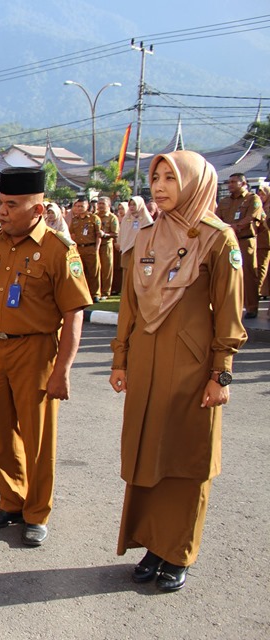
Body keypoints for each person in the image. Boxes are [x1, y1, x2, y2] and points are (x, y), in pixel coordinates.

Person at [109, 151, 247, 591]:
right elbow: (129, 305)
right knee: (148, 454)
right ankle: (152, 543)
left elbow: (229, 313)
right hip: (146, 365)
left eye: (171, 177)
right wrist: (119, 358)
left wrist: (220, 373)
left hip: (191, 369)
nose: (161, 185)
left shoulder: (218, 239)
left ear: (195, 182)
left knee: (187, 460)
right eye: (156, 177)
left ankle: (179, 550)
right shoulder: (146, 237)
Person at [0, 168, 91, 546]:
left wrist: (63, 370)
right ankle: (11, 501)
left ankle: (37, 512)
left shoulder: (58, 249)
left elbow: (74, 311)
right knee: (0, 433)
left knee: (37, 437)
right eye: (1, 204)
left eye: (12, 205)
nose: (2, 212)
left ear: (37, 209)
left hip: (34, 351)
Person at [215, 173, 265, 318]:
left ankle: (251, 307)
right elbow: (217, 219)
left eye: (233, 182)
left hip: (245, 240)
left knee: (248, 274)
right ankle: (231, 306)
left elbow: (251, 217)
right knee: (227, 274)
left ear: (243, 184)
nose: (229, 184)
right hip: (227, 241)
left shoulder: (252, 199)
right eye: (229, 182)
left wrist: (233, 227)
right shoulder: (224, 201)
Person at [68, 197, 102, 302]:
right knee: (79, 271)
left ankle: (95, 294)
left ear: (87, 206)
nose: (79, 208)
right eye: (77, 206)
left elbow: (98, 235)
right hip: (79, 248)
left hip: (90, 247)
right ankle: (83, 292)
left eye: (81, 206)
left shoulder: (94, 218)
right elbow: (72, 234)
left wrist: (96, 248)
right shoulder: (74, 220)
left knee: (94, 272)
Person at [118, 197, 154, 278]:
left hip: (139, 250)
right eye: (130, 205)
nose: (132, 207)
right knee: (126, 274)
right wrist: (120, 243)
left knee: (137, 274)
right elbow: (122, 233)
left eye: (134, 204)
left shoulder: (147, 219)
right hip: (126, 250)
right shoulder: (126, 218)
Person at [96, 197, 119, 298]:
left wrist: (105, 234)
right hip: (95, 246)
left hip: (106, 245)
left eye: (103, 204)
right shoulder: (94, 216)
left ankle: (106, 292)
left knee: (106, 269)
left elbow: (115, 234)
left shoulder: (112, 218)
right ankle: (96, 291)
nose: (100, 206)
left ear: (108, 205)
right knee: (96, 269)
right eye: (99, 203)